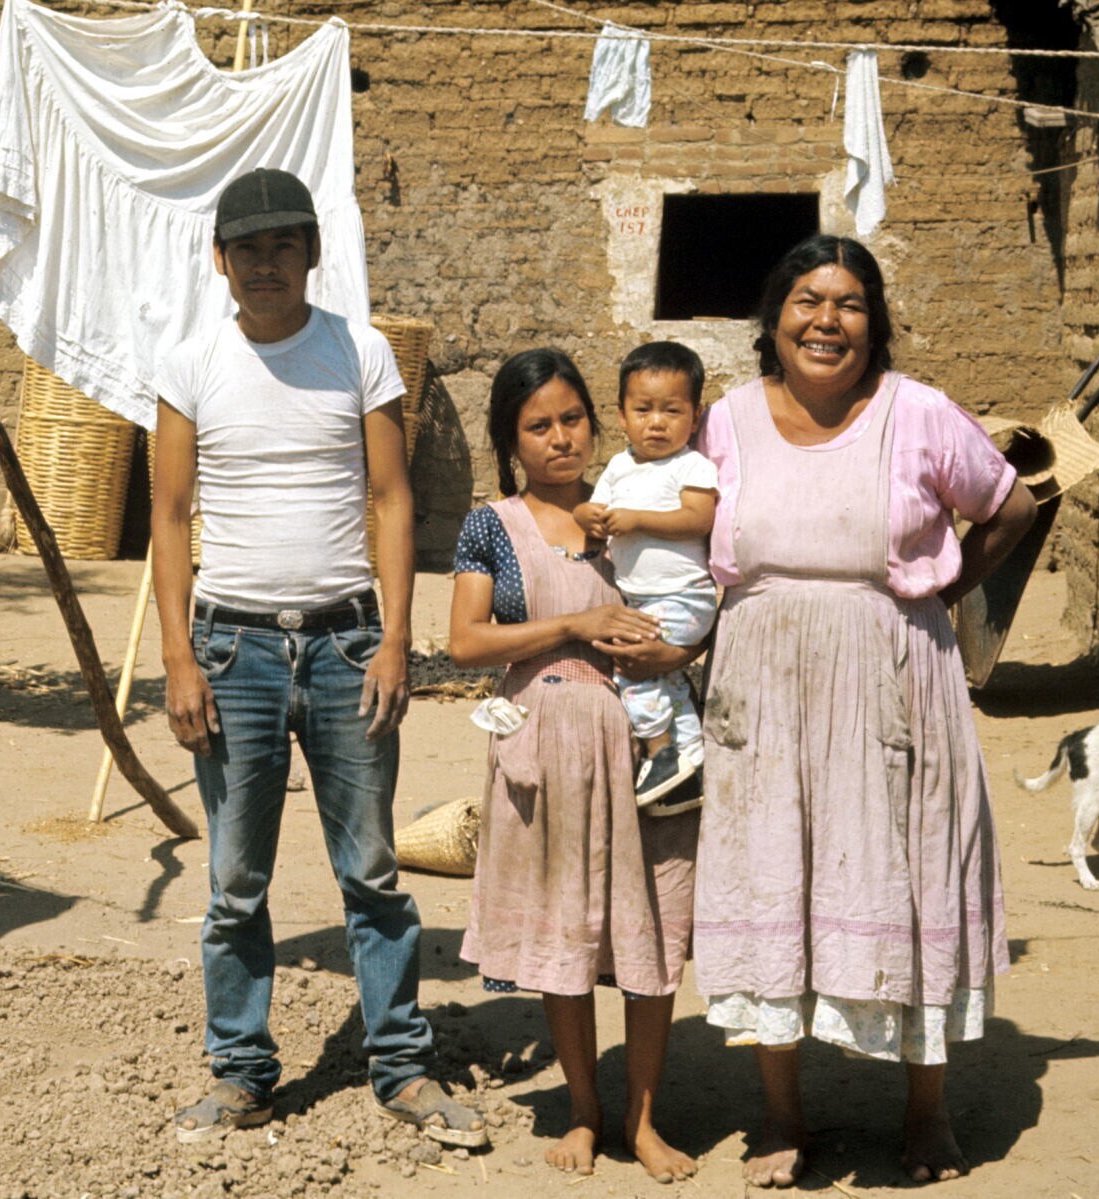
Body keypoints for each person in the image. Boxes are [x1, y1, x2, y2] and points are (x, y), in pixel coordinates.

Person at [691, 235, 1037, 1188]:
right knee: (770, 873)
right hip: (762, 686)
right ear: (773, 317)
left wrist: (939, 590)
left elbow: (1011, 507)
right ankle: (781, 1116)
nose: (826, 321)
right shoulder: (724, 423)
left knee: (911, 872)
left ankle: (927, 1114)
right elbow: (672, 526)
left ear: (874, 324)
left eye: (849, 303)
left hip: (895, 680)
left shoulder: (918, 413)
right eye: (807, 300)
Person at [151, 168, 485, 1148]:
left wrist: (395, 639)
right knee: (234, 882)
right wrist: (178, 657)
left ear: (312, 253)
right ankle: (242, 1072)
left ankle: (401, 1064)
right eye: (248, 249)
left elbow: (392, 497)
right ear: (220, 259)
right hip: (232, 648)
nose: (266, 265)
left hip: (347, 644)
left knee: (371, 869)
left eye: (283, 246)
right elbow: (168, 515)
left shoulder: (359, 350)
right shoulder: (190, 363)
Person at [449, 348, 701, 1184]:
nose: (560, 438)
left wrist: (678, 651)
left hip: (647, 746)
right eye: (538, 426)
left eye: (572, 419)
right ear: (510, 440)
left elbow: (699, 596)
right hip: (546, 744)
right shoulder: (492, 526)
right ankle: (585, 1110)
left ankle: (644, 1118)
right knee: (566, 931)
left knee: (651, 927)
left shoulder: (635, 506)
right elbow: (465, 641)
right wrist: (575, 626)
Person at [574, 341, 718, 805]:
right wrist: (585, 516)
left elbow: (698, 518)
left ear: (695, 417)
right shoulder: (620, 466)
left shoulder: (691, 465)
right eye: (643, 410)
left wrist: (637, 520)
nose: (656, 422)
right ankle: (691, 757)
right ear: (621, 415)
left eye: (671, 411)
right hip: (643, 599)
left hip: (683, 597)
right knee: (666, 679)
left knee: (631, 665)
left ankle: (659, 751)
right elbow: (592, 509)